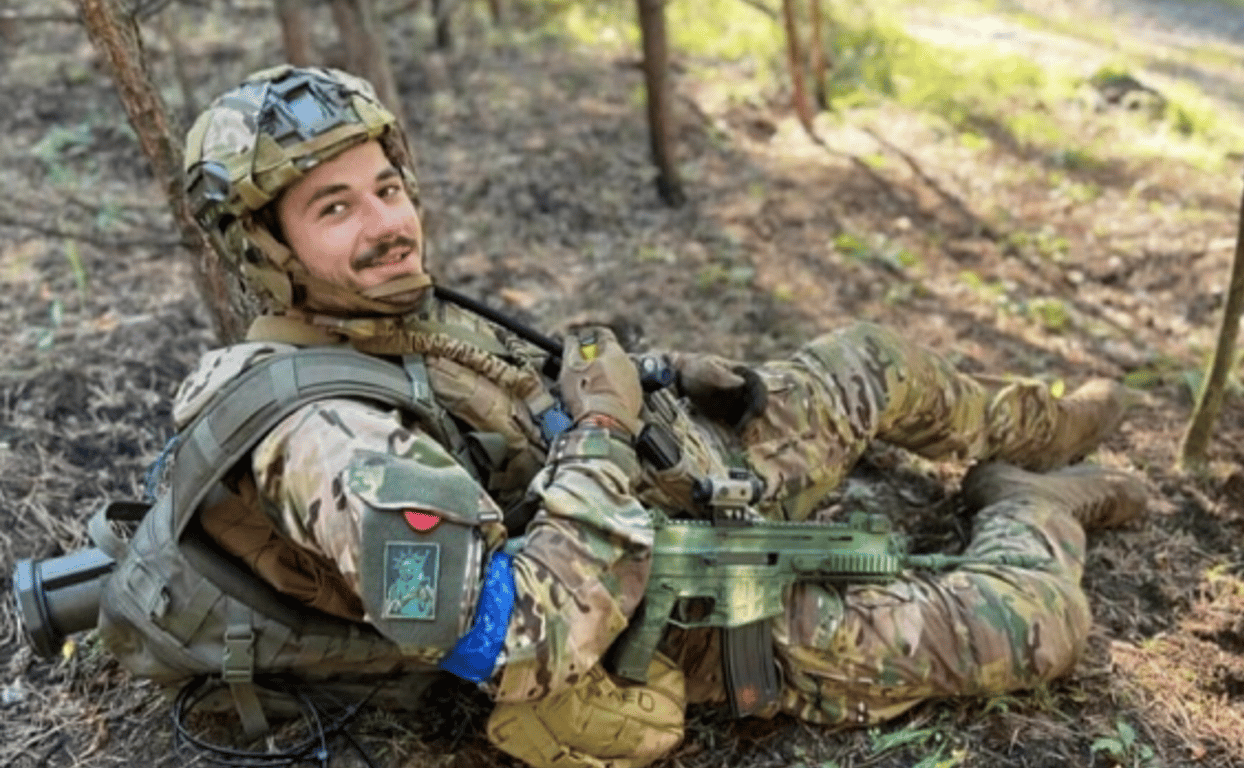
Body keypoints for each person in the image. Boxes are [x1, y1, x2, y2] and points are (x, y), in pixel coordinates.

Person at [174, 64, 1147, 767]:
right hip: (664, 606)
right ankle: (1030, 503)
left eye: (387, 189)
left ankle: (1032, 430)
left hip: (657, 487)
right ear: (266, 248)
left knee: (869, 358)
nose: (388, 223)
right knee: (1030, 624)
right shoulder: (328, 441)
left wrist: (662, 375)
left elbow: (507, 394)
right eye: (335, 208)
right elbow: (515, 644)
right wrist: (603, 430)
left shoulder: (378, 314)